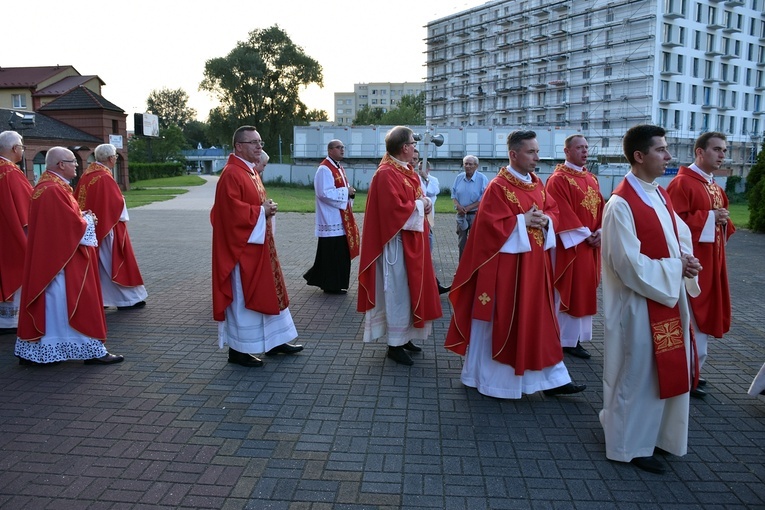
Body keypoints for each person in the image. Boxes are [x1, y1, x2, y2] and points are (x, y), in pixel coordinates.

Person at [445, 130, 586, 399]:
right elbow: (487, 229)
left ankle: (554, 378)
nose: (537, 157)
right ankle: (494, 380)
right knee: (507, 320)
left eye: (537, 151)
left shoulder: (537, 183)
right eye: (531, 152)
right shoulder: (498, 187)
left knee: (540, 319)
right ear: (513, 154)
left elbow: (553, 210)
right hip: (507, 270)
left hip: (536, 266)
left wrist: (546, 221)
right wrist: (521, 221)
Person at [600, 124, 702, 475]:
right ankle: (628, 445)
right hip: (638, 303)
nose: (668, 156)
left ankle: (657, 435)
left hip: (665, 296)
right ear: (639, 156)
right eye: (661, 150)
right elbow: (626, 263)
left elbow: (678, 234)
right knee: (638, 374)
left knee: (662, 373)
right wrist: (676, 268)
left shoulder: (657, 194)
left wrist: (685, 260)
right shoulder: (620, 204)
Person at [15, 147, 123, 365]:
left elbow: (60, 221)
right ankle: (89, 350)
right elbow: (68, 227)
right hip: (61, 263)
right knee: (74, 301)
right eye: (72, 161)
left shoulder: (48, 186)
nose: (77, 165)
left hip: (53, 260)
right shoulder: (53, 189)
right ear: (60, 165)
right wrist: (88, 221)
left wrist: (81, 216)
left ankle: (45, 350)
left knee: (55, 306)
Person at [211, 126, 302, 368]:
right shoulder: (232, 173)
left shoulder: (249, 172)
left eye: (260, 142)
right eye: (253, 142)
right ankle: (239, 351)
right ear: (239, 146)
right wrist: (261, 211)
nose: (259, 146)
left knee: (269, 292)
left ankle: (275, 341)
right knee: (244, 298)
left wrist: (266, 208)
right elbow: (229, 213)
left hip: (259, 247)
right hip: (242, 253)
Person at [357, 126, 442, 366]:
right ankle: (394, 344)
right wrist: (420, 204)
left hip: (412, 242)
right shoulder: (386, 173)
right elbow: (393, 210)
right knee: (396, 292)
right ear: (404, 148)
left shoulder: (407, 171)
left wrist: (423, 202)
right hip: (395, 244)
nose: (415, 148)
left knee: (410, 290)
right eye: (412, 144)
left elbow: (416, 200)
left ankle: (405, 337)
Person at [666, 132, 735, 399]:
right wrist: (708, 217)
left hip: (713, 262)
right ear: (699, 152)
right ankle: (685, 373)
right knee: (690, 320)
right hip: (691, 265)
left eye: (724, 150)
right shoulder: (682, 183)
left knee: (701, 321)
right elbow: (672, 224)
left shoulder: (715, 186)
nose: (722, 155)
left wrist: (720, 219)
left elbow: (723, 225)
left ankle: (693, 371)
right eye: (717, 149)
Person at [545, 135, 604, 360]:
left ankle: (576, 337)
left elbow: (601, 209)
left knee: (585, 289)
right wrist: (586, 235)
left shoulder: (592, 178)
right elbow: (559, 211)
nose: (585, 151)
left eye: (586, 147)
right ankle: (565, 339)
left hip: (590, 245)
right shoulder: (558, 179)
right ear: (567, 151)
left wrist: (601, 232)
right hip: (571, 247)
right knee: (570, 289)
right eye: (579, 147)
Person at [74, 144, 148, 310]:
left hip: (93, 228)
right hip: (109, 228)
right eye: (115, 156)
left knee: (100, 264)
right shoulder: (104, 177)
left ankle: (103, 298)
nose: (115, 159)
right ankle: (127, 299)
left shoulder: (86, 175)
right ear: (110, 158)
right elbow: (117, 204)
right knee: (114, 262)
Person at [304, 140, 360, 294]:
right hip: (330, 218)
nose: (342, 150)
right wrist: (345, 192)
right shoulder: (324, 169)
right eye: (338, 147)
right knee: (333, 254)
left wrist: (350, 193)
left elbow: (341, 189)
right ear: (330, 150)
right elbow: (323, 193)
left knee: (339, 253)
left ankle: (330, 281)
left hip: (340, 216)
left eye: (343, 147)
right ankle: (330, 285)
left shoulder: (338, 167)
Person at [0, 131, 33, 333]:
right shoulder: (12, 173)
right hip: (12, 235)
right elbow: (30, 207)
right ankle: (10, 320)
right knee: (17, 268)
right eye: (22, 146)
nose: (22, 150)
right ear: (14, 149)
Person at [416, 149, 449, 295]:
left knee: (428, 240)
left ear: (428, 169)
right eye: (419, 167)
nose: (420, 170)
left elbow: (434, 192)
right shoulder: (414, 178)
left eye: (423, 168)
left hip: (428, 215)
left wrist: (426, 179)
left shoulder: (432, 179)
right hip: (417, 215)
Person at [451, 155, 489, 259]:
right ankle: (461, 269)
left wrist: (468, 208)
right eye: (465, 164)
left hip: (475, 215)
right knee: (461, 242)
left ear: (476, 166)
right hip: (461, 214)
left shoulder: (482, 179)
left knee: (475, 242)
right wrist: (458, 206)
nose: (467, 166)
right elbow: (453, 195)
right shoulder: (459, 177)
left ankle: (473, 269)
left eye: (470, 164)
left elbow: (484, 198)